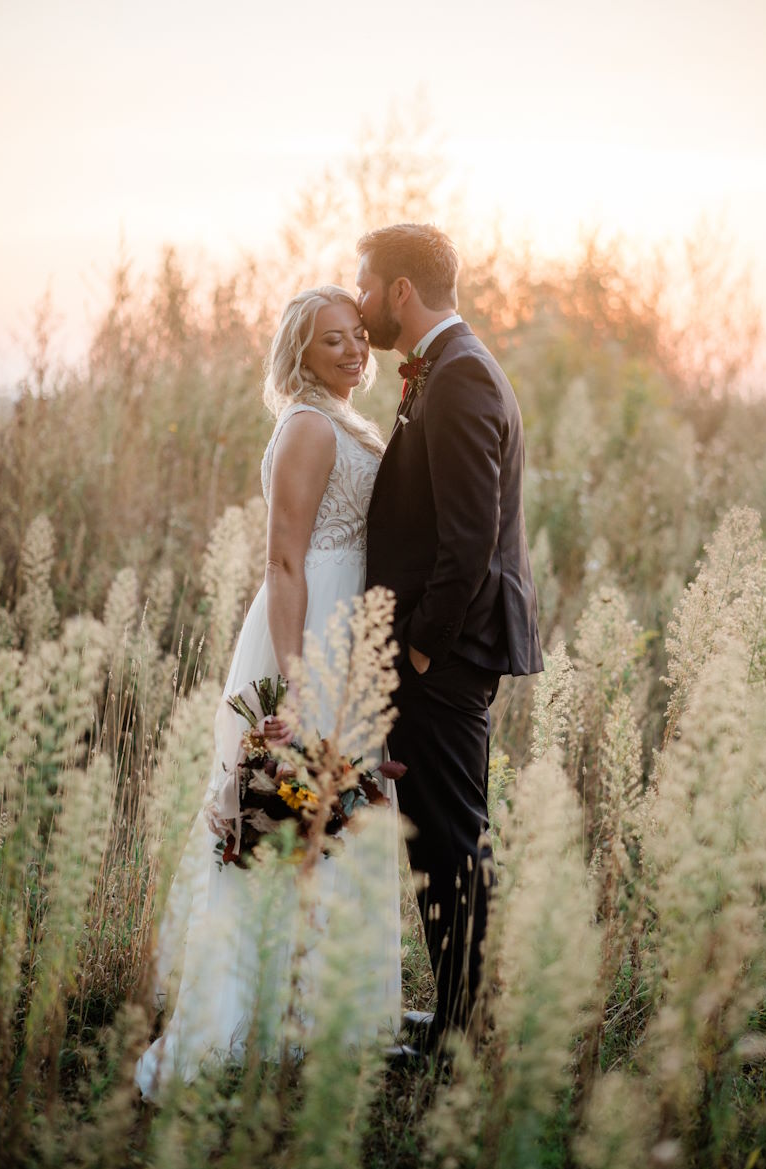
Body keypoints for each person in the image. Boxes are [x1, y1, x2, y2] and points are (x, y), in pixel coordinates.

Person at [135, 286, 402, 1101]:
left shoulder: (341, 418)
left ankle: (322, 1011)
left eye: (359, 337)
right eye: (333, 342)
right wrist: (298, 677)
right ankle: (243, 1017)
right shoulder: (310, 426)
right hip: (308, 637)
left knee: (332, 819)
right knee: (283, 815)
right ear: (299, 352)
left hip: (343, 632)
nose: (356, 351)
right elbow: (284, 562)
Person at [356, 224, 543, 1047]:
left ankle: (467, 1031)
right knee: (442, 833)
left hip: (448, 651)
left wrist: (422, 647)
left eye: (366, 284)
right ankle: (463, 1016)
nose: (360, 301)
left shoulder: (460, 375)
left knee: (453, 838)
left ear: (400, 289)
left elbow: (468, 540)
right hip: (447, 647)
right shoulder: (448, 367)